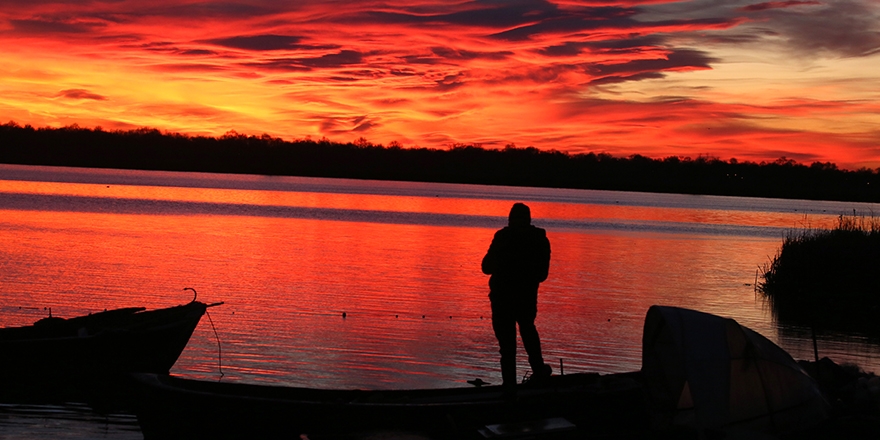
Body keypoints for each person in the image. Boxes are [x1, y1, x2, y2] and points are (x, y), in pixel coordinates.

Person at [481, 203, 552, 390]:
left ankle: (510, 389)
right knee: (528, 333)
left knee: (508, 348)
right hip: (525, 299)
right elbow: (542, 275)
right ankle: (539, 377)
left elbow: (486, 267)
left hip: (503, 298)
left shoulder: (503, 237)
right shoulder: (539, 240)